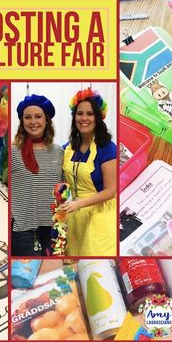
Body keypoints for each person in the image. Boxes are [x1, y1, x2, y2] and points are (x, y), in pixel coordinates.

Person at [61, 88, 117, 256]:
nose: (84, 118)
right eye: (79, 113)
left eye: (90, 114)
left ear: (98, 118)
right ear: (74, 116)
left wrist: (79, 204)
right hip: (75, 216)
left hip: (99, 215)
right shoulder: (68, 149)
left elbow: (111, 191)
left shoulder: (107, 148)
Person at [11, 94, 63, 256]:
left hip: (51, 228)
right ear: (22, 121)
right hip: (23, 229)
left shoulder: (59, 151)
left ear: (46, 120)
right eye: (28, 117)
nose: (33, 121)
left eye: (38, 116)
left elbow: (62, 188)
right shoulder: (13, 152)